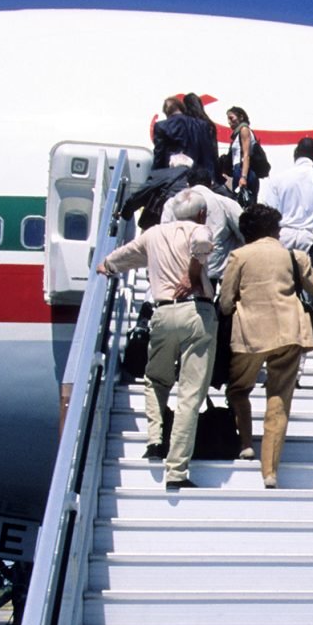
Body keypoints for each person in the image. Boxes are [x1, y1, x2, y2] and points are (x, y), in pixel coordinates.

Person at [216, 204, 313, 486]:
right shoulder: (294, 256)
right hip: (289, 333)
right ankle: (270, 472)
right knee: (278, 401)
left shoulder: (239, 256)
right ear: (275, 230)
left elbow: (226, 302)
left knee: (238, 389)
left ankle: (246, 444)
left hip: (250, 335)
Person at [96, 191, 215, 490]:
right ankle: (176, 472)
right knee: (189, 394)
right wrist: (193, 271)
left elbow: (125, 255)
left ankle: (154, 439)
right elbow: (202, 241)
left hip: (162, 313)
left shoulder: (152, 235)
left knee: (155, 379)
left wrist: (107, 266)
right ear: (201, 214)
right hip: (196, 313)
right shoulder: (198, 229)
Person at [150, 96, 216, 182]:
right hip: (197, 176)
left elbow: (159, 155)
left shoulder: (161, 126)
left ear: (166, 111)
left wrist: (153, 177)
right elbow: (207, 154)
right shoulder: (201, 125)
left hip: (172, 176)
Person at [223, 105, 262, 201]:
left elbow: (246, 154)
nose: (229, 122)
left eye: (231, 118)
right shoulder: (238, 133)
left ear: (241, 117)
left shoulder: (244, 130)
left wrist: (243, 177)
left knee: (244, 204)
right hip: (239, 170)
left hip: (244, 171)